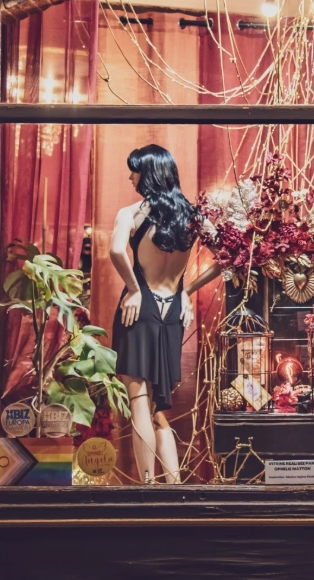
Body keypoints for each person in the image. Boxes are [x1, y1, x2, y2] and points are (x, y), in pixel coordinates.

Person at [110, 144, 220, 484]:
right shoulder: (193, 216)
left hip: (140, 306)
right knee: (158, 411)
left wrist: (133, 289)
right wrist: (186, 291)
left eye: (135, 170)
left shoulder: (131, 213)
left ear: (149, 173)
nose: (130, 177)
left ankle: (146, 487)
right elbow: (227, 258)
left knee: (139, 400)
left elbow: (115, 250)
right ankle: (173, 486)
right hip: (172, 309)